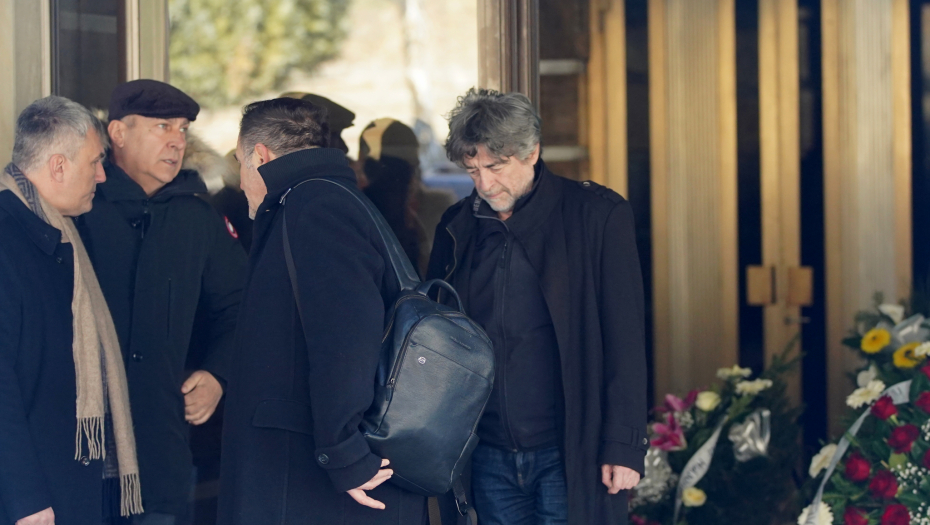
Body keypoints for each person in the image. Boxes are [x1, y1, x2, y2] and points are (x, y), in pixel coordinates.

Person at [426, 88, 648, 525]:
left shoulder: (597, 216)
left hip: (570, 450)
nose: (484, 184)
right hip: (486, 452)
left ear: (532, 152)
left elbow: (625, 339)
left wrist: (623, 445)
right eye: (472, 171)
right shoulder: (457, 226)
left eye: (495, 167)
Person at [217, 97, 427, 525]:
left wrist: (345, 453)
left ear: (261, 156)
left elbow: (345, 339)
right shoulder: (317, 199)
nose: (240, 181)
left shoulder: (316, 207)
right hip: (302, 466)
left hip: (306, 475)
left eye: (241, 163)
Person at [77, 79, 247, 524]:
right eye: (162, 127)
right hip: (80, 455)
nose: (177, 140)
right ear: (118, 133)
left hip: (159, 455)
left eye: (183, 129)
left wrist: (217, 375)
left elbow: (241, 306)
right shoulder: (77, 208)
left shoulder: (197, 215)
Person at [0, 96, 143, 525]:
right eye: (95, 162)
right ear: (59, 166)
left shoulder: (62, 233)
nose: (102, 175)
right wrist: (25, 499)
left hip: (69, 481)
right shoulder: (9, 238)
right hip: (33, 500)